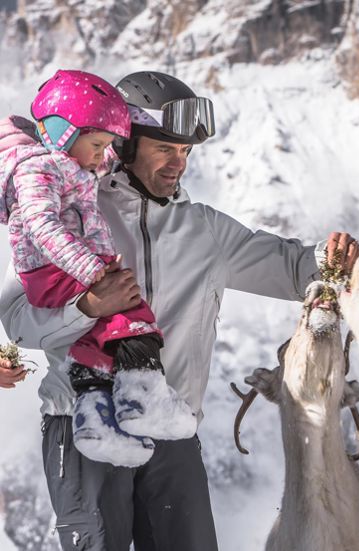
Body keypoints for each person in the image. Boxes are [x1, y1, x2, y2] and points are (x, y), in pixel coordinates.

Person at [0, 70, 359, 551]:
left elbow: (294, 267)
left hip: (171, 427)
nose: (179, 164)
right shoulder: (75, 209)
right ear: (125, 146)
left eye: (186, 153)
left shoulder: (205, 231)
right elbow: (18, 321)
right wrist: (89, 306)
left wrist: (333, 257)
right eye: (166, 149)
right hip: (82, 425)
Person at [0, 69, 195, 471]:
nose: (100, 153)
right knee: (131, 315)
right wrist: (91, 271)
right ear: (61, 133)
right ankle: (144, 396)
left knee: (98, 338)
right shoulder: (38, 169)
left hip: (68, 269)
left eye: (106, 145)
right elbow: (42, 226)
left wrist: (124, 139)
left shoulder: (73, 161)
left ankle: (95, 420)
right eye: (95, 143)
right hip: (57, 271)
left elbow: (103, 159)